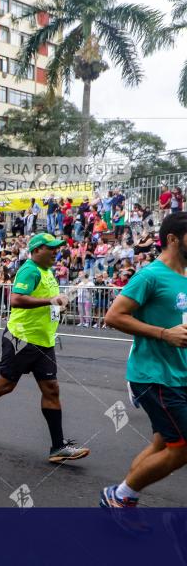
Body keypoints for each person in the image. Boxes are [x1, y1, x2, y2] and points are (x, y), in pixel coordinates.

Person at [0, 233, 90, 463]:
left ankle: (58, 447)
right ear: (36, 250)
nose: (55, 251)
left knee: (51, 389)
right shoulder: (30, 269)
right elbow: (16, 299)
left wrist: (58, 305)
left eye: (56, 248)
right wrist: (50, 301)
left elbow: (49, 300)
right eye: (50, 248)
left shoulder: (48, 272)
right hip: (21, 338)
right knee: (5, 386)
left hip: (44, 341)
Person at [101, 212, 187, 509]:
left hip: (180, 374)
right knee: (182, 449)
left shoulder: (184, 276)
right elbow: (113, 316)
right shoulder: (150, 275)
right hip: (154, 375)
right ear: (174, 239)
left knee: (162, 444)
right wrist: (164, 334)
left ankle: (124, 498)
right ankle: (120, 496)